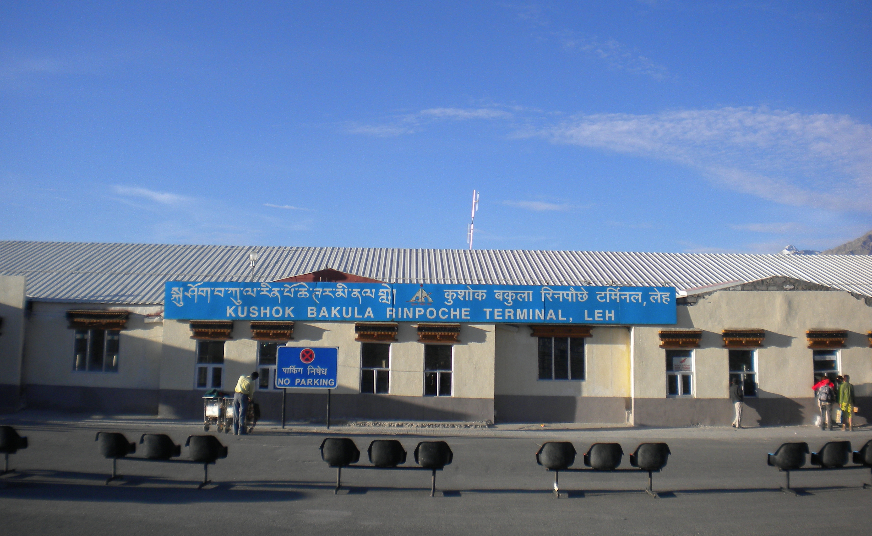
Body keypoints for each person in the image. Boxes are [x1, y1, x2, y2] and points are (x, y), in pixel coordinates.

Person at [233, 371, 259, 435]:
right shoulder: (251, 382)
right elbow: (250, 393)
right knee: (242, 414)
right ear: (255, 377)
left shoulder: (242, 377)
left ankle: (235, 431)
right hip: (243, 396)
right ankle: (241, 431)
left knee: (235, 414)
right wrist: (250, 399)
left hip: (236, 395)